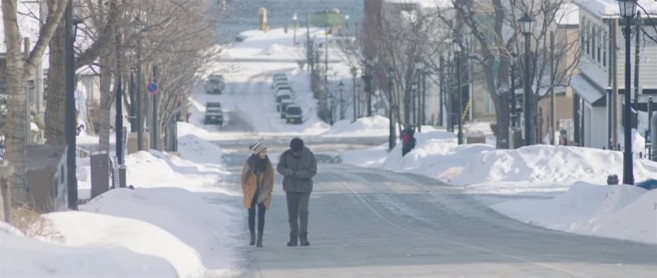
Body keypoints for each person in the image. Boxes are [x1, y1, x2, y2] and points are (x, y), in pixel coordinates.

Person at [277, 138, 317, 246]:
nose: (295, 153)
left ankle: (303, 236)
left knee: (303, 212)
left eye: (297, 151)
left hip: (304, 188)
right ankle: (293, 236)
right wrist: (289, 172)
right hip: (290, 188)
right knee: (292, 214)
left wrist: (300, 174)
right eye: (294, 151)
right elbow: (280, 168)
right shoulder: (286, 155)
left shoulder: (309, 155)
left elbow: (313, 170)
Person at [241, 143, 274, 248]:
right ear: (257, 152)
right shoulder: (250, 162)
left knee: (261, 215)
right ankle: (252, 237)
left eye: (265, 151)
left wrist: (269, 190)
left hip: (263, 192)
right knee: (251, 215)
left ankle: (260, 239)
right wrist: (245, 190)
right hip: (251, 191)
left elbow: (271, 177)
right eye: (263, 151)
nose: (265, 153)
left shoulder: (268, 163)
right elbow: (243, 177)